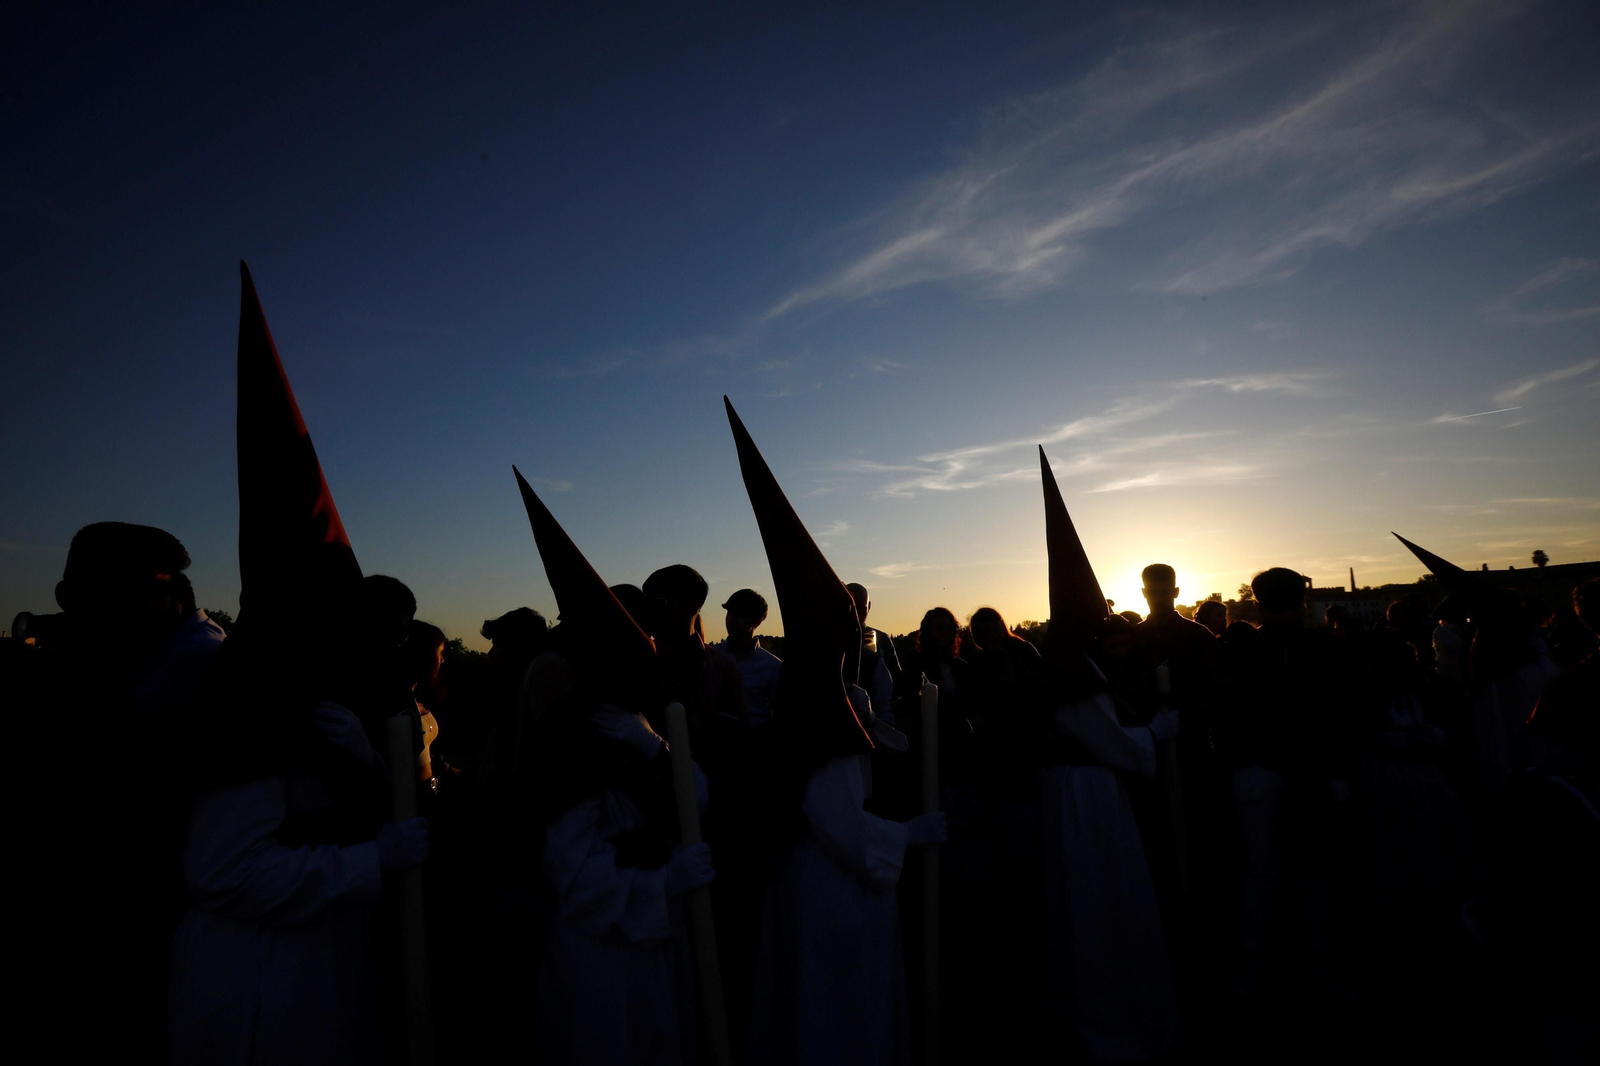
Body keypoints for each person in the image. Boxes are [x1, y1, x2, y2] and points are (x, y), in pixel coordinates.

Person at [168, 262, 429, 1066]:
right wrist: (368, 862)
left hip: (319, 969)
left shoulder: (325, 698)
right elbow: (223, 870)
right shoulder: (257, 705)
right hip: (259, 990)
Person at [726, 398, 943, 1066]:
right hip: (831, 883)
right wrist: (908, 834)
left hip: (829, 879)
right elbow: (834, 817)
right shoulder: (817, 705)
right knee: (833, 1009)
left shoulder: (829, 693)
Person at [512, 469, 712, 1066]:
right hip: (602, 942)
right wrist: (660, 884)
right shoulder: (579, 737)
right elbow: (573, 871)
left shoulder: (639, 722)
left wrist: (656, 750)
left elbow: (694, 799)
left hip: (656, 936)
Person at [13, 519, 203, 1061]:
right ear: (72, 598)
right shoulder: (86, 675)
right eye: (133, 591)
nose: (153, 607)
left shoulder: (179, 666)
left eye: (161, 591)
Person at [1034, 448, 1181, 1061]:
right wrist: (1157, 733)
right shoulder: (1075, 674)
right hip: (1086, 796)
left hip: (1084, 793)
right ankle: (1107, 1019)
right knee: (1100, 902)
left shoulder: (1079, 665)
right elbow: (1114, 744)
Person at [1214, 566, 1354, 999]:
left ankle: (1292, 956)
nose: (1290, 614)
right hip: (1274, 768)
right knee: (1282, 869)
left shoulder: (1312, 647)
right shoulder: (1251, 647)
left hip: (1294, 768)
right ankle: (1276, 957)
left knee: (1295, 868)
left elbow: (1340, 712)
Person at [716, 587, 782, 727]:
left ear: (756, 621)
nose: (732, 619)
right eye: (729, 612)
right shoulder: (711, 656)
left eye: (740, 614)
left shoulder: (772, 666)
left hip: (756, 741)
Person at [848, 581, 904, 707]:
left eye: (860, 608)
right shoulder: (831, 639)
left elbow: (897, 681)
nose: (855, 614)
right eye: (852, 607)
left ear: (869, 607)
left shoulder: (881, 639)